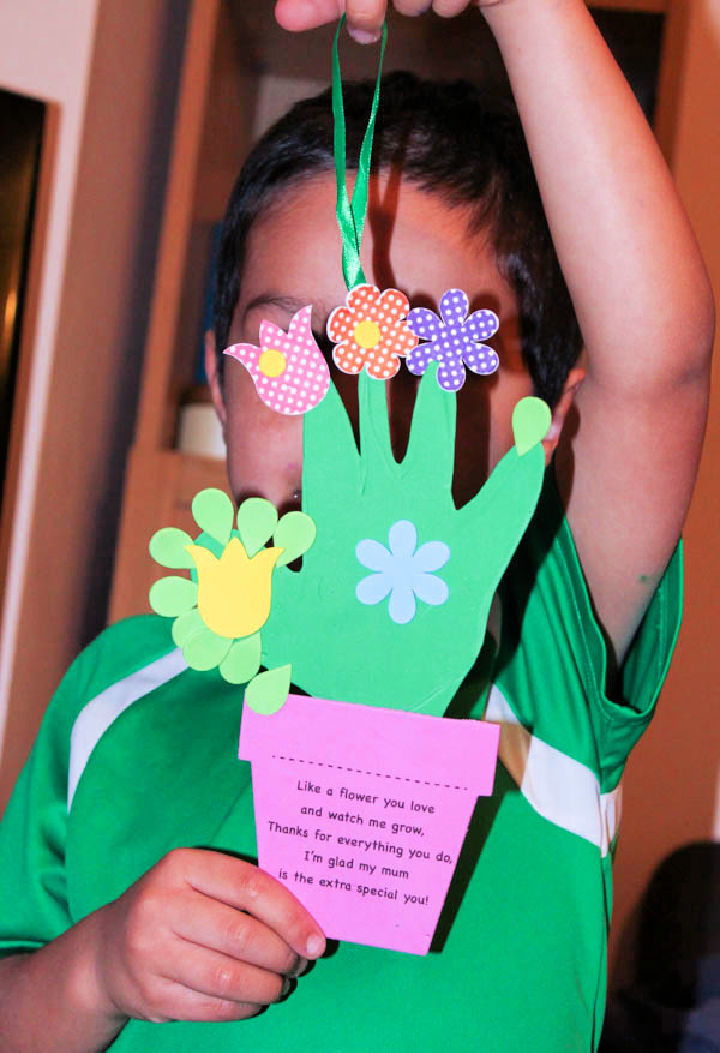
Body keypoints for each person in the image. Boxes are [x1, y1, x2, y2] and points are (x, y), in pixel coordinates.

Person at [0, 1, 713, 1050]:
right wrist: (93, 971)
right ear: (218, 381)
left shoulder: (539, 655)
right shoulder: (118, 689)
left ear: (552, 421)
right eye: (293, 346)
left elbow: (661, 363)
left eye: (433, 355)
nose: (351, 403)